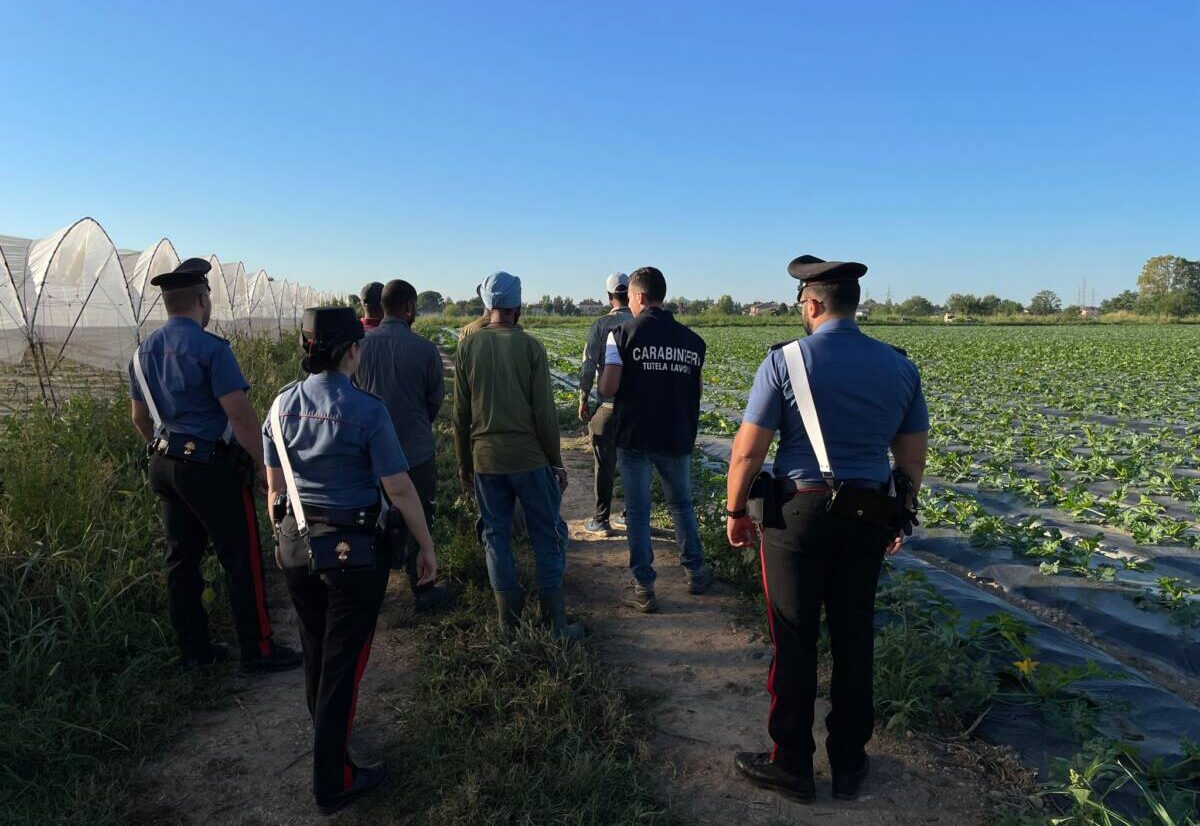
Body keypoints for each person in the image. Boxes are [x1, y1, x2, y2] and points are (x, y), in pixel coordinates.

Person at [724, 255, 928, 803]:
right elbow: (910, 461)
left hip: (798, 515)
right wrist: (898, 516)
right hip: (866, 518)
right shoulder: (900, 367)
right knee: (854, 637)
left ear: (811, 304)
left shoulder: (784, 362)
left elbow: (747, 452)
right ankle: (849, 764)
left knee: (794, 639)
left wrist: (736, 512)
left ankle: (791, 762)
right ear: (853, 305)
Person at [263, 307, 438, 815]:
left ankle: (327, 737)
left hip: (297, 543)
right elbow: (399, 487)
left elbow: (274, 488)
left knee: (316, 647)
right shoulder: (366, 410)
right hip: (353, 553)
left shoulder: (279, 407)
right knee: (346, 661)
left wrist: (278, 538)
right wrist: (425, 545)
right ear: (349, 351)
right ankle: (333, 779)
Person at [129, 258, 301, 674]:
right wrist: (265, 469)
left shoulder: (142, 351)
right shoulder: (211, 350)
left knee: (181, 559)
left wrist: (163, 446)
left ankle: (195, 651)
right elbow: (240, 417)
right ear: (203, 300)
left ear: (168, 304)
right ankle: (257, 649)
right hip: (209, 468)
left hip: (164, 462)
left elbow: (139, 418)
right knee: (241, 556)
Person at [453, 271, 580, 640]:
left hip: (485, 460)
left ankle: (508, 624)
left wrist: (464, 462)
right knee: (546, 536)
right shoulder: (531, 348)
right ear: (518, 307)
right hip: (529, 459)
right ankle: (555, 623)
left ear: (489, 306)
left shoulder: (468, 347)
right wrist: (556, 462)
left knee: (496, 537)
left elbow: (460, 414)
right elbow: (545, 414)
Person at [598, 266, 713, 613]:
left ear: (640, 296)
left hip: (635, 436)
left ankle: (644, 587)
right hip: (676, 434)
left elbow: (609, 388)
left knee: (637, 510)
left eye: (631, 298)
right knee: (681, 505)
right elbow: (697, 389)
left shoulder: (620, 334)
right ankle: (695, 571)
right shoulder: (693, 341)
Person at [355, 278, 451, 611]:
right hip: (415, 451)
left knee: (370, 519)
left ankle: (371, 591)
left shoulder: (360, 347)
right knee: (418, 517)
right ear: (409, 308)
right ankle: (422, 588)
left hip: (368, 455)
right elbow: (435, 400)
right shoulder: (425, 350)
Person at [577, 271, 632, 536]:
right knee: (634, 460)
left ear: (610, 296)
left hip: (609, 405)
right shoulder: (641, 322)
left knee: (604, 460)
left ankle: (601, 519)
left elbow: (589, 365)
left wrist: (583, 397)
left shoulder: (600, 325)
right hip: (638, 408)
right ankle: (631, 514)